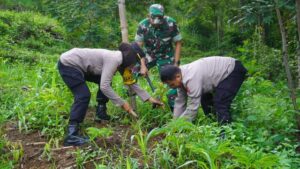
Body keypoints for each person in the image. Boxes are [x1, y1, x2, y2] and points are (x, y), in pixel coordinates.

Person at [58, 42, 163, 146]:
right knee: (83, 95)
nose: (133, 66)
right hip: (69, 64)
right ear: (130, 58)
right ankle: (72, 135)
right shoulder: (114, 59)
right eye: (134, 63)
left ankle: (101, 113)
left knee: (105, 81)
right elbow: (104, 87)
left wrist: (149, 98)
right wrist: (123, 104)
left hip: (82, 66)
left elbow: (131, 82)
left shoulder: (122, 63)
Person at [160, 56, 247, 124]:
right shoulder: (180, 77)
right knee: (205, 100)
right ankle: (212, 125)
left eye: (171, 84)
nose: (171, 87)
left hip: (232, 70)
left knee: (220, 102)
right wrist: (174, 122)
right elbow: (180, 102)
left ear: (178, 77)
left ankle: (225, 134)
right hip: (215, 77)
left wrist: (179, 126)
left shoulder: (191, 77)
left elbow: (192, 107)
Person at [134, 4, 182, 111]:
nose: (156, 21)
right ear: (148, 16)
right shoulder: (143, 25)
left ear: (163, 16)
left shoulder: (170, 23)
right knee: (132, 70)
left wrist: (176, 64)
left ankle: (174, 110)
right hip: (148, 55)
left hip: (166, 55)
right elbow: (138, 48)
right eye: (153, 18)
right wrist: (142, 66)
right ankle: (137, 100)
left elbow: (178, 43)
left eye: (159, 18)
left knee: (173, 78)